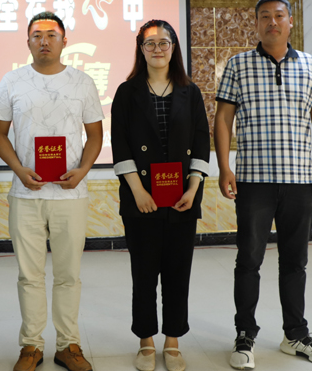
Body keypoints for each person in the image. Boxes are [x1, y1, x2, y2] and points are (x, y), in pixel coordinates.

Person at [214, 0, 312, 369]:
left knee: (295, 261)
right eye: (265, 16)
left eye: (279, 15)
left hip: (298, 180)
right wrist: (224, 166)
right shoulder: (238, 65)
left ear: (290, 21)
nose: (272, 22)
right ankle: (244, 335)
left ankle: (295, 334)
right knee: (249, 260)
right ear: (256, 24)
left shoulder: (310, 65)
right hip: (253, 182)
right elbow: (223, 118)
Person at [0, 11, 104, 371]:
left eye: (51, 35)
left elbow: (95, 135)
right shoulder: (12, 81)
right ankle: (31, 345)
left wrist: (83, 170)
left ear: (64, 41)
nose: (44, 41)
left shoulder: (82, 82)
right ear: (27, 42)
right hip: (26, 194)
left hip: (70, 195)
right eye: (37, 35)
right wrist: (19, 169)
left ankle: (68, 344)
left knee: (69, 274)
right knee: (29, 275)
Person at [111, 19, 209, 371]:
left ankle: (173, 340)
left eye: (163, 42)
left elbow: (201, 142)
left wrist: (193, 188)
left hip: (183, 198)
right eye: (149, 43)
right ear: (141, 49)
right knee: (144, 274)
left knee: (178, 274)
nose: (157, 49)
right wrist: (137, 191)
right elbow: (120, 144)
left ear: (173, 48)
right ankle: (146, 341)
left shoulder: (190, 91)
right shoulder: (127, 92)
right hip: (141, 200)